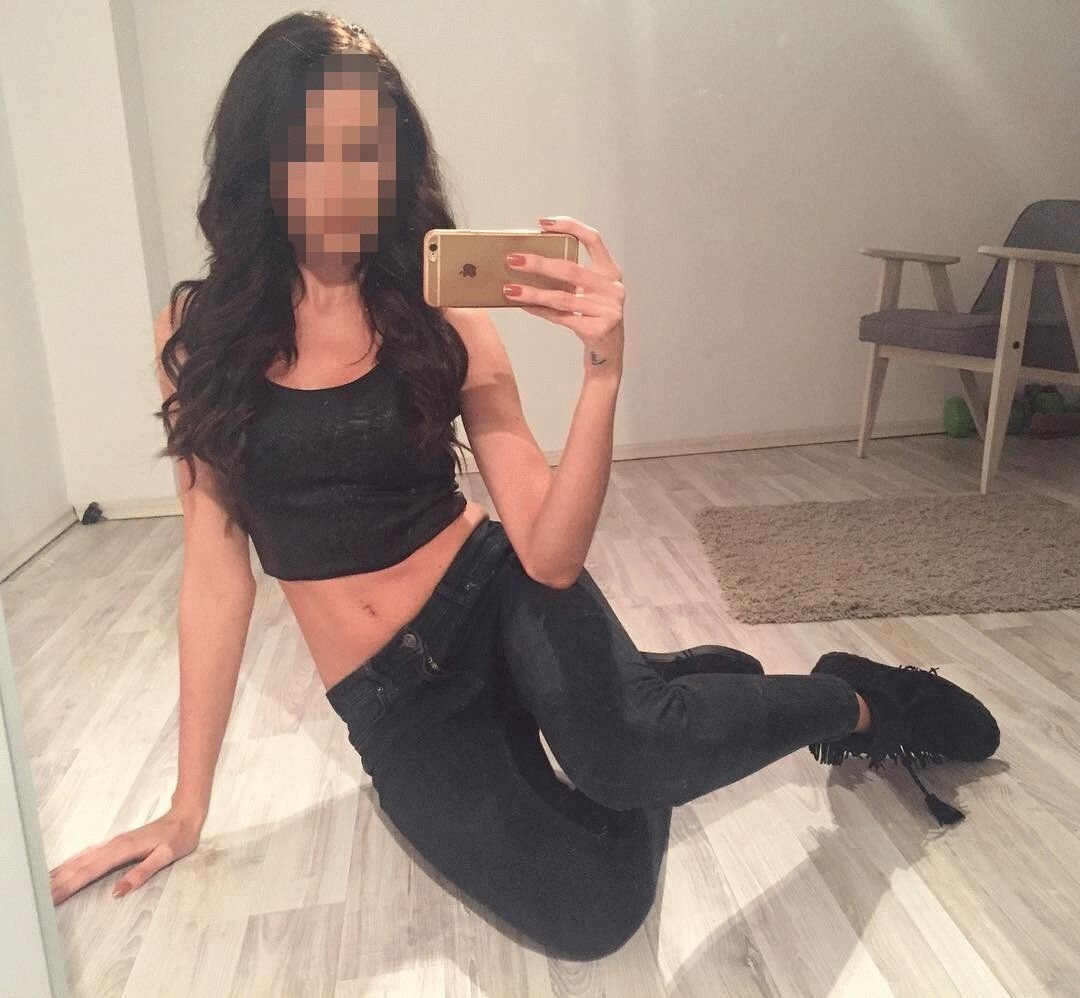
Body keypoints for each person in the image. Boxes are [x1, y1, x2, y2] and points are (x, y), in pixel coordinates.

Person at [48, 12, 1000, 961]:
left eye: (369, 151)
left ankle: (859, 700)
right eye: (315, 152)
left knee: (625, 758)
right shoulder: (198, 333)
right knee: (591, 914)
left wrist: (603, 372)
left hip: (494, 597)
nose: (347, 183)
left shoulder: (441, 312)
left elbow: (548, 555)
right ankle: (651, 692)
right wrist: (187, 805)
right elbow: (215, 571)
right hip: (392, 703)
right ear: (262, 157)